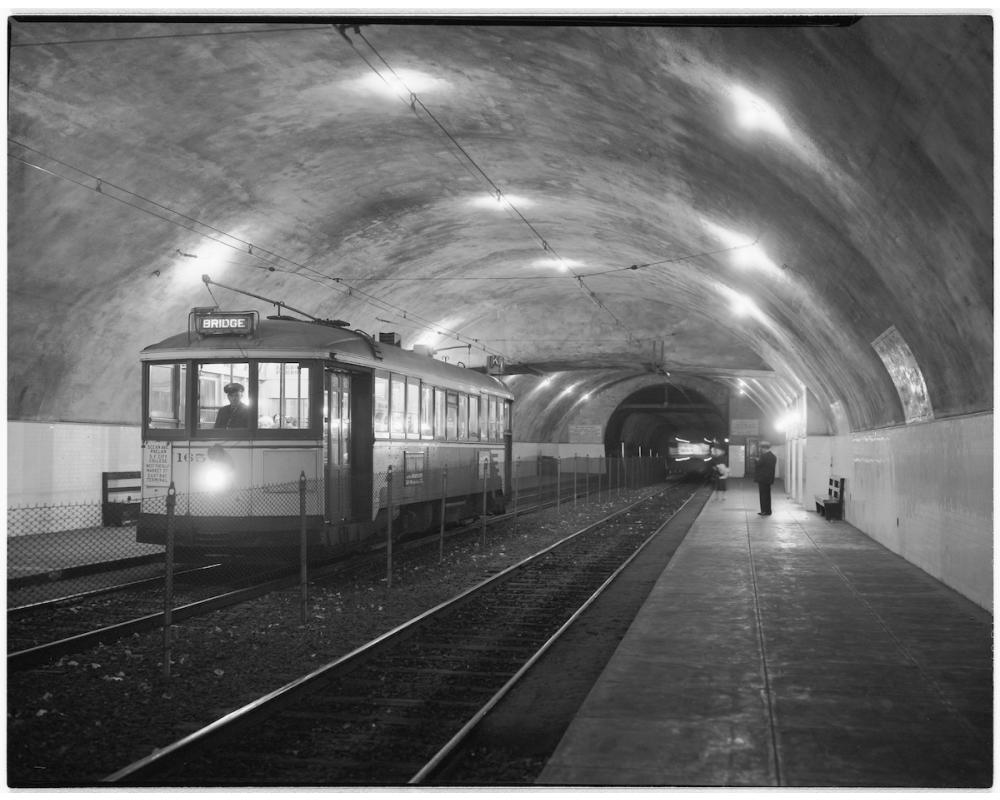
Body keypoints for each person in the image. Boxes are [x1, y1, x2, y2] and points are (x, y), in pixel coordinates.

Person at [754, 441, 777, 516]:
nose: (761, 450)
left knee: (763, 495)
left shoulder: (764, 456)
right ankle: (768, 511)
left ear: (764, 448)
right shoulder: (773, 456)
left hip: (762, 479)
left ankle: (763, 511)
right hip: (769, 479)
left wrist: (756, 460)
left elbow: (759, 465)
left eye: (761, 448)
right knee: (767, 495)